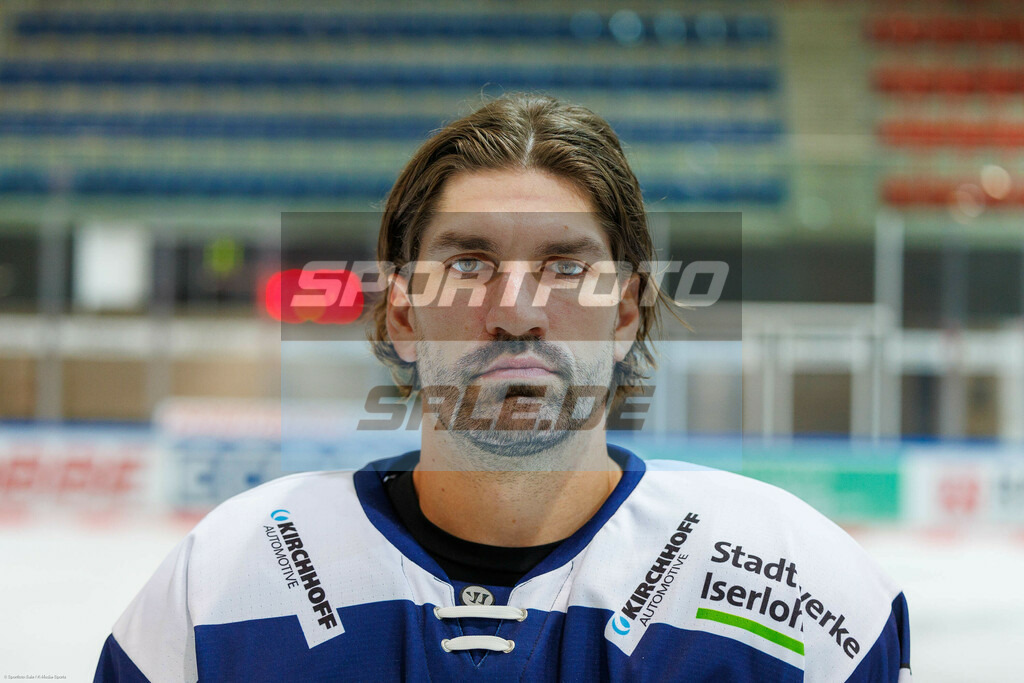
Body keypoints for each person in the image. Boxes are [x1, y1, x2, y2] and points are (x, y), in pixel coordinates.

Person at [94, 94, 911, 682]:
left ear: (626, 312)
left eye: (565, 265)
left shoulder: (801, 591)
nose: (516, 312)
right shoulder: (223, 587)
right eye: (468, 263)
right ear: (404, 316)